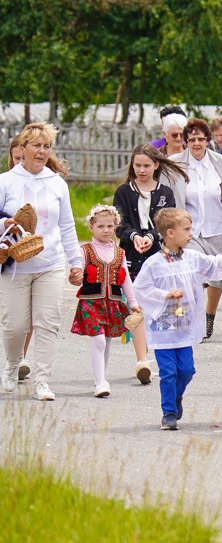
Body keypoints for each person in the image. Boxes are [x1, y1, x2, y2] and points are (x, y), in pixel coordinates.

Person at [133, 208, 222, 430]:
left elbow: (215, 263)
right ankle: (169, 411)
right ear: (170, 233)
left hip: (184, 328)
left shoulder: (192, 258)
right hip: (164, 330)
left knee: (187, 370)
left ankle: (177, 396)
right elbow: (140, 288)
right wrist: (164, 295)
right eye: (187, 229)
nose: (191, 233)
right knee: (168, 372)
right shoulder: (154, 264)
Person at [0, 123, 83, 401]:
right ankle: (12, 364)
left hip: (50, 264)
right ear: (21, 149)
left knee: (48, 323)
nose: (42, 151)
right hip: (14, 267)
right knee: (15, 326)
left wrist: (76, 262)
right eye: (36, 145)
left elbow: (67, 225)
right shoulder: (5, 181)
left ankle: (43, 380)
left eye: (47, 146)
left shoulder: (56, 182)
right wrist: (5, 223)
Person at [113, 143, 186, 383]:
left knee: (160, 306)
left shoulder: (166, 192)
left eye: (146, 165)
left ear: (156, 165)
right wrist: (134, 236)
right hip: (131, 256)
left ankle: (161, 358)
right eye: (137, 166)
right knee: (138, 307)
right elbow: (119, 223)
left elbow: (168, 224)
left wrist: (152, 236)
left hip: (159, 256)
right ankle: (142, 360)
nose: (141, 170)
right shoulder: (123, 192)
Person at [164, 118, 222, 339]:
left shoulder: (220, 162)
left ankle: (208, 317)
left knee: (217, 277)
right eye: (192, 139)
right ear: (186, 141)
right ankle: (191, 316)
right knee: (192, 273)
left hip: (216, 227)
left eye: (201, 139)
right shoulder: (176, 162)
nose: (197, 143)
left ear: (208, 140)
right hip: (189, 230)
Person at [70, 205, 141, 397]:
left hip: (112, 303)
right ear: (91, 227)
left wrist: (132, 301)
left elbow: (125, 278)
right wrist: (76, 273)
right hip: (91, 303)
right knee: (99, 341)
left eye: (110, 226)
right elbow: (79, 268)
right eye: (100, 226)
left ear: (115, 226)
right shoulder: (85, 250)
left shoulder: (119, 252)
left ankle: (101, 379)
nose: (106, 230)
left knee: (106, 341)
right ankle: (100, 382)